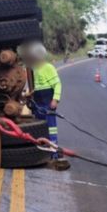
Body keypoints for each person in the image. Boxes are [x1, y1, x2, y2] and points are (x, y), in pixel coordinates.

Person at [18, 41, 68, 169]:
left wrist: (55, 99)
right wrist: (29, 95)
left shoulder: (48, 67)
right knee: (40, 128)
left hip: (47, 101)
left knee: (51, 129)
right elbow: (35, 86)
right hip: (38, 102)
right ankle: (42, 154)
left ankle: (54, 155)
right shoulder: (34, 69)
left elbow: (57, 84)